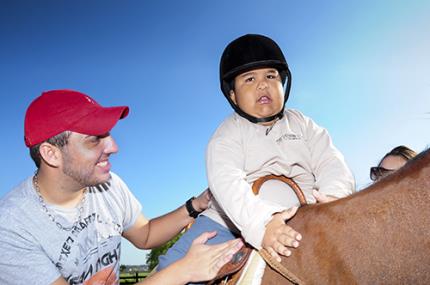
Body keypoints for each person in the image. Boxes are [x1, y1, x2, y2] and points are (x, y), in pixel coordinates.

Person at [0, 89, 243, 285]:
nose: (113, 146)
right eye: (94, 139)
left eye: (107, 135)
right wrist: (182, 272)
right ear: (51, 154)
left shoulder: (109, 185)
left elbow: (146, 235)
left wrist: (195, 205)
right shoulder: (10, 229)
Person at [158, 34, 355, 273]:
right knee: (172, 268)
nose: (263, 85)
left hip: (305, 216)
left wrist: (334, 197)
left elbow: (330, 161)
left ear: (283, 84)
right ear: (233, 95)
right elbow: (226, 180)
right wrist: (262, 224)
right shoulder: (228, 133)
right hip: (228, 224)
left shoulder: (303, 124)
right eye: (249, 79)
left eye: (271, 76)